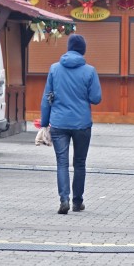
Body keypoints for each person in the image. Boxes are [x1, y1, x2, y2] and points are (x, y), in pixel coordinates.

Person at [40, 34, 102, 214]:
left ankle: (63, 200)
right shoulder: (90, 71)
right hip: (82, 123)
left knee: (62, 163)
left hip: (58, 123)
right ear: (83, 50)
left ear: (68, 48)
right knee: (80, 163)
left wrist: (44, 123)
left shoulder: (54, 69)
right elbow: (96, 98)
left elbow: (47, 98)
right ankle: (77, 202)